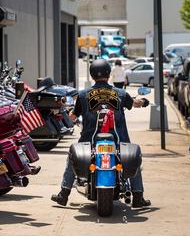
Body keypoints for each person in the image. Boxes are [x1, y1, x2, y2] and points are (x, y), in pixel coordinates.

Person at [51, 59, 151, 208]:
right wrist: (143, 101)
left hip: (89, 141)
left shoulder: (84, 95)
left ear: (92, 75)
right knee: (133, 159)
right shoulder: (121, 93)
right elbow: (136, 103)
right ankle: (138, 196)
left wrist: (61, 114)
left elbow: (72, 117)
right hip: (118, 140)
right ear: (109, 74)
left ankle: (63, 194)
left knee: (72, 158)